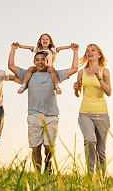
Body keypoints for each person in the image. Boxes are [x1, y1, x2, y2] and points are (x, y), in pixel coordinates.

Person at [8, 41, 79, 174]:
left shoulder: (55, 74)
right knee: (35, 148)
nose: (40, 62)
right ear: (34, 62)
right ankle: (39, 175)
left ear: (47, 61)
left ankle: (47, 163)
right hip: (34, 115)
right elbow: (11, 66)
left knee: (49, 146)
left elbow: (74, 69)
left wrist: (75, 51)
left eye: (43, 60)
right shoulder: (28, 74)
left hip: (51, 115)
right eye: (37, 60)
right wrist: (13, 49)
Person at [73, 44, 112, 175]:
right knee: (89, 140)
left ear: (99, 54)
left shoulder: (104, 71)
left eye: (93, 50)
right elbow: (78, 94)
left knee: (101, 150)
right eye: (88, 51)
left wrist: (99, 78)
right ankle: (90, 175)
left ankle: (101, 179)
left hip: (102, 114)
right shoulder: (81, 72)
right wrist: (75, 88)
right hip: (85, 113)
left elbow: (109, 92)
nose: (90, 52)